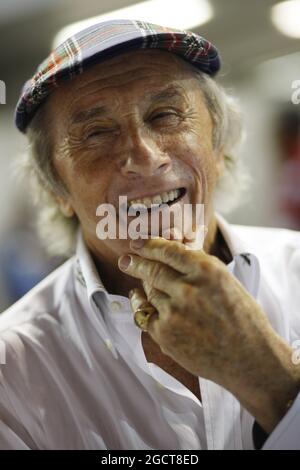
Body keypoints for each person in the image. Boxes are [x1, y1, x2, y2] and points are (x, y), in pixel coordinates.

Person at [1, 19, 299, 450]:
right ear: (56, 189)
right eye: (97, 132)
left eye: (165, 115)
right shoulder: (12, 368)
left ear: (218, 147)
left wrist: (271, 380)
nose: (144, 156)